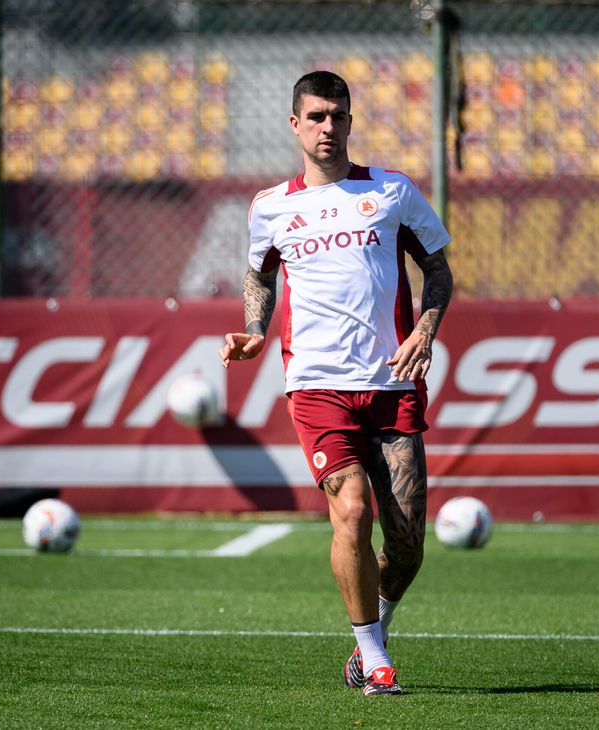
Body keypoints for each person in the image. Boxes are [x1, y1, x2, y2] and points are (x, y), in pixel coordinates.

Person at [218, 70, 453, 697]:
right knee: (351, 510)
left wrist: (426, 328)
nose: (328, 127)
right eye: (316, 116)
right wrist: (256, 330)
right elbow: (259, 276)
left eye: (338, 116)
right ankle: (374, 659)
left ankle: (373, 625)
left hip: (392, 383)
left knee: (406, 547)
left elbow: (437, 268)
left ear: (351, 121)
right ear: (295, 123)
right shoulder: (271, 206)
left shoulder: (393, 191)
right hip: (317, 384)